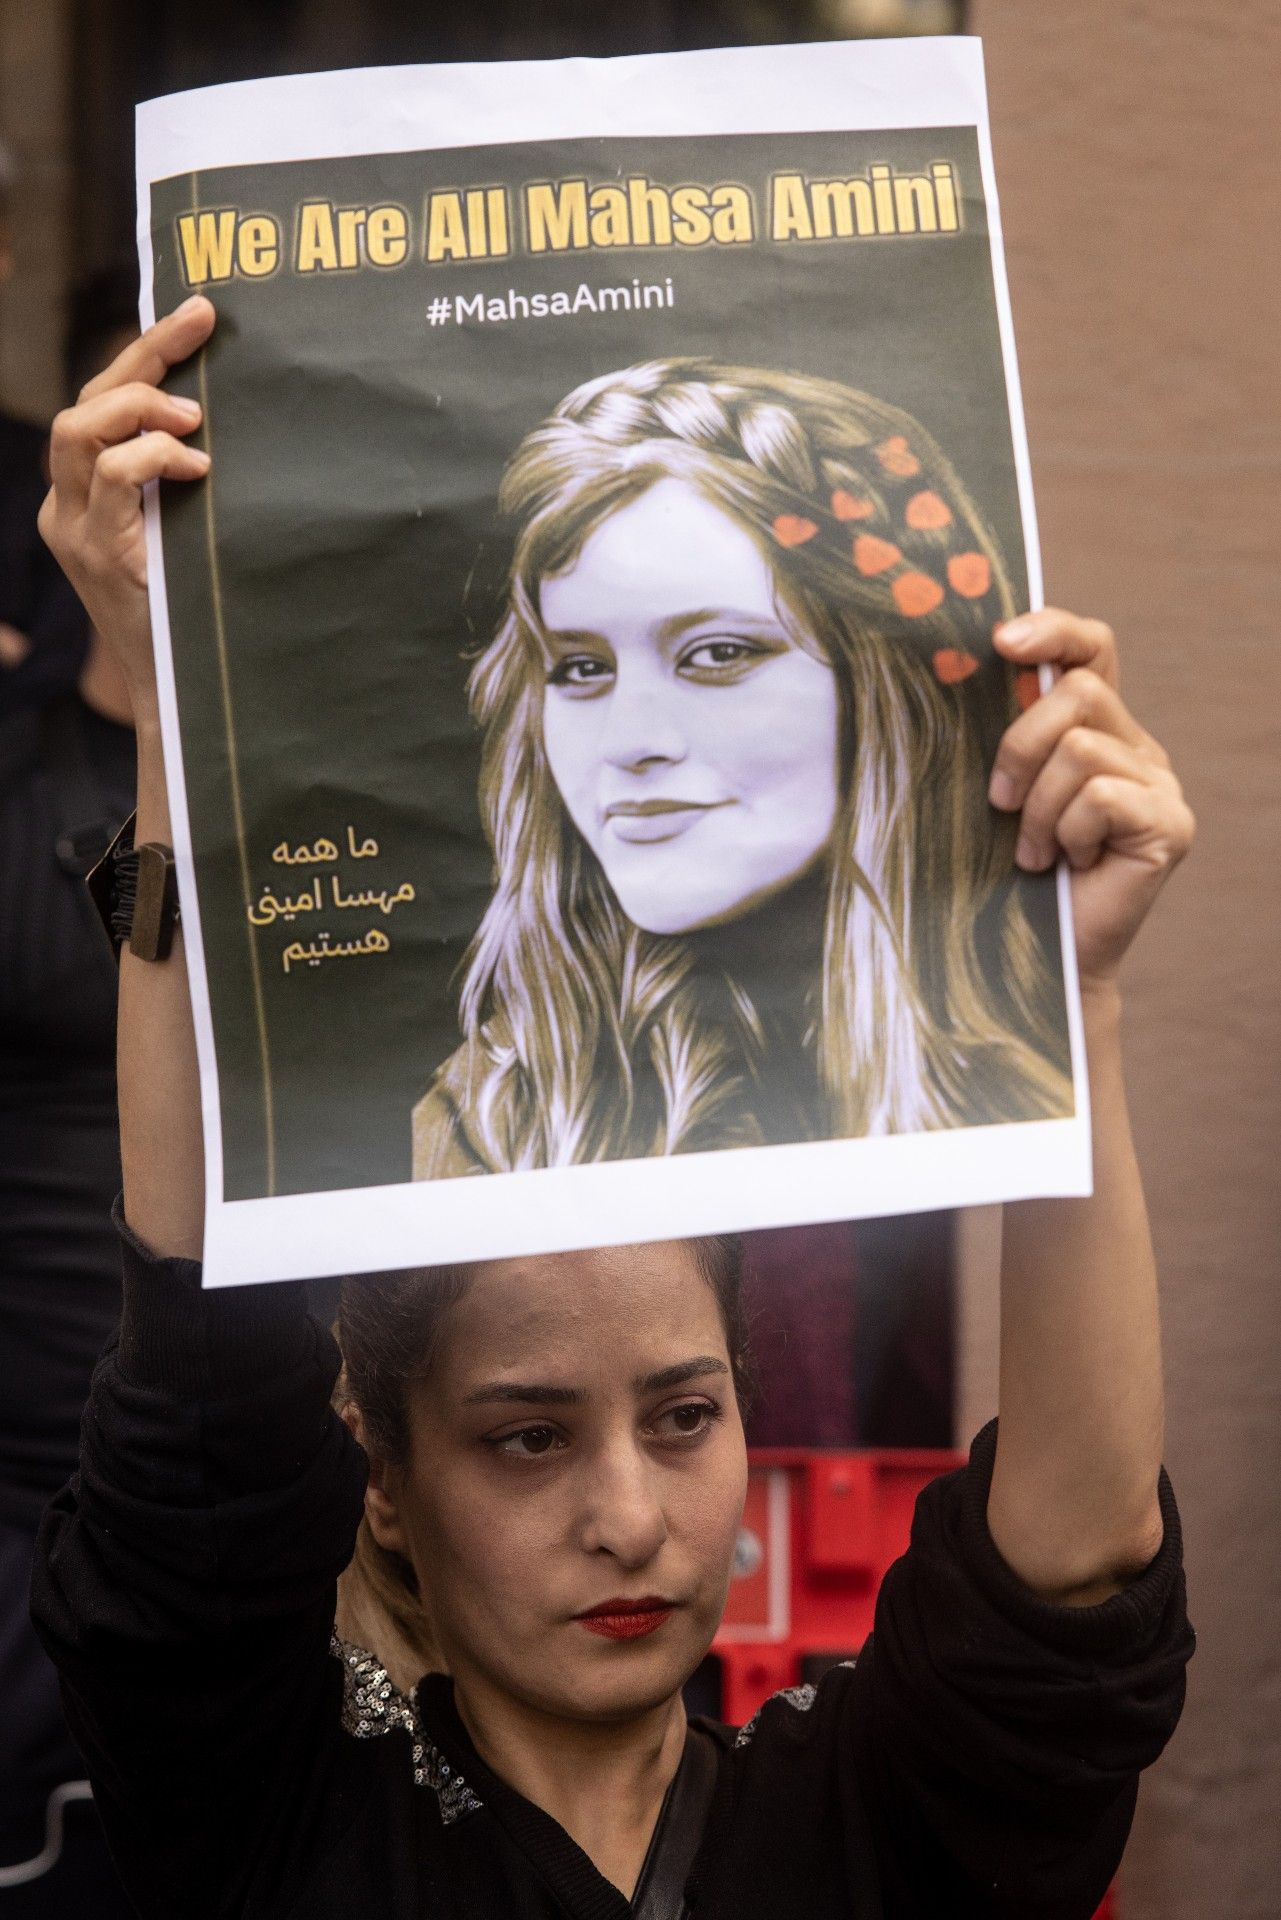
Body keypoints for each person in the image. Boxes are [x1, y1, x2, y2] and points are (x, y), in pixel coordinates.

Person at [32, 296, 1195, 1919]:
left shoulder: (866, 1825)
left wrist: (1075, 1006)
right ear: (387, 1477)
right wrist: (180, 716)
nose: (629, 1521)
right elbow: (191, 1431)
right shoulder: (275, 1827)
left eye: (682, 1416)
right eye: (523, 1438)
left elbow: (1069, 1585)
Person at [414, 361, 1074, 1180]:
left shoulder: (1045, 1029)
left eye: (717, 654)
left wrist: (1098, 995)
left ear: (887, 688)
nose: (628, 741)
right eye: (580, 669)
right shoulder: (500, 1114)